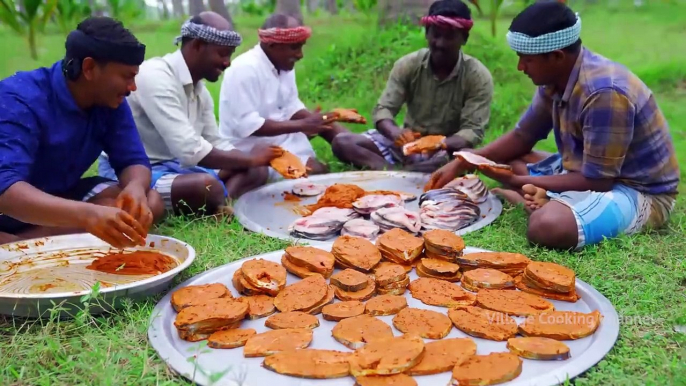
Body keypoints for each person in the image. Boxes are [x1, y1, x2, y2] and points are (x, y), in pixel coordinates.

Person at [426, 2, 680, 250]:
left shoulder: (604, 93)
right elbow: (523, 136)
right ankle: (541, 196)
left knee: (546, 225)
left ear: (556, 56)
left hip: (636, 191)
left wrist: (517, 180)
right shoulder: (556, 79)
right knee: (512, 159)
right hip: (589, 170)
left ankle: (539, 201)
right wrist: (466, 161)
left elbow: (599, 181)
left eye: (526, 59)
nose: (520, 67)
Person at [0, 17, 165, 248]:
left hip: (56, 196)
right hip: (9, 205)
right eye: (127, 76)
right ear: (89, 68)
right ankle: (21, 242)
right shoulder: (19, 99)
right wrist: (87, 215)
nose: (132, 87)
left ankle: (23, 243)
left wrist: (135, 187)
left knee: (148, 202)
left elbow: (133, 160)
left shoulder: (108, 100)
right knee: (108, 214)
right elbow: (5, 190)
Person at [98, 13, 279, 216]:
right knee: (206, 186)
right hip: (137, 170)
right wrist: (250, 159)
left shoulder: (200, 92)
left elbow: (215, 142)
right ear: (197, 46)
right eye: (222, 54)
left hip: (178, 167)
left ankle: (222, 205)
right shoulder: (156, 76)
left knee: (257, 171)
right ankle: (219, 199)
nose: (227, 63)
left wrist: (252, 160)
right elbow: (190, 151)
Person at [331, 0, 494, 173]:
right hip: (406, 146)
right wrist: (395, 133)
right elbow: (383, 110)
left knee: (467, 156)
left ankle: (403, 172)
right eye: (436, 35)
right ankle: (396, 172)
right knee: (343, 142)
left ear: (464, 38)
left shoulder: (477, 76)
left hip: (445, 150)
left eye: (449, 37)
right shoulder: (409, 64)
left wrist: (438, 143)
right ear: (426, 34)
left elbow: (472, 131)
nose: (440, 43)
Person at [218, 13, 348, 182]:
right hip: (251, 149)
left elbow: (291, 105)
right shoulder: (244, 70)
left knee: (320, 171)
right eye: (295, 48)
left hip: (285, 141)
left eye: (301, 47)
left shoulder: (284, 65)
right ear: (272, 44)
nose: (300, 55)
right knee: (311, 180)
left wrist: (324, 123)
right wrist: (302, 124)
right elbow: (248, 126)